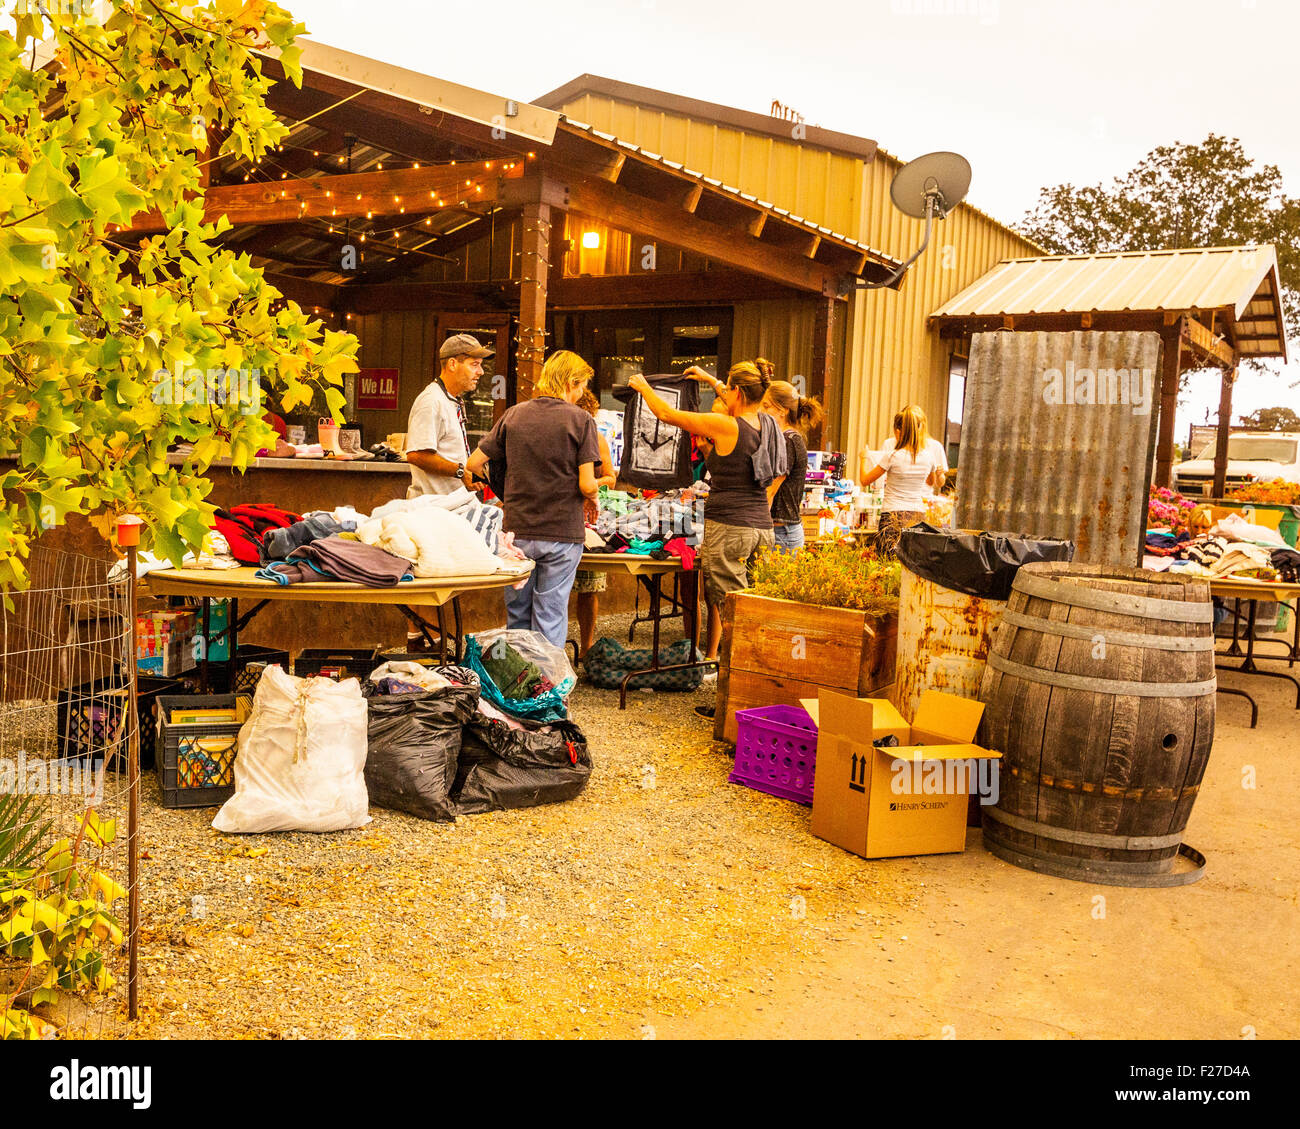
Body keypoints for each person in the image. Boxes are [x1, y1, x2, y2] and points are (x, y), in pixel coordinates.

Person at [628, 360, 777, 679]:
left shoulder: (727, 426)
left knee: (733, 614)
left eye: (727, 390)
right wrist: (710, 378)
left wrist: (643, 388)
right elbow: (735, 394)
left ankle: (736, 690)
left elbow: (669, 415)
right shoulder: (767, 422)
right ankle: (757, 680)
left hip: (731, 528)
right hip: (762, 528)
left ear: (737, 392)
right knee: (754, 611)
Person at [467, 351, 600, 648]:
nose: (581, 395)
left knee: (517, 614)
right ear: (571, 382)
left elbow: (474, 463)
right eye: (581, 387)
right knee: (550, 614)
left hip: (518, 533)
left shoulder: (514, 414)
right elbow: (587, 482)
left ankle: (518, 686)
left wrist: (504, 491)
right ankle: (548, 689)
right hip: (562, 533)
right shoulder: (582, 420)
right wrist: (592, 497)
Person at [405, 333, 493, 498]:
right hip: (433, 510)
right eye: (474, 364)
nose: (480, 372)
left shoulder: (451, 399)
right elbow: (416, 455)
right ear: (452, 364)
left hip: (450, 506)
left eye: (480, 365)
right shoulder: (431, 400)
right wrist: (461, 471)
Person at [860, 404, 945, 555]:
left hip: (892, 515)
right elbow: (931, 482)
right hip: (917, 515)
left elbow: (865, 480)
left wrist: (863, 459)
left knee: (887, 560)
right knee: (913, 561)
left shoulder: (892, 456)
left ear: (897, 430)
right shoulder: (928, 456)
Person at [574, 388, 619, 659]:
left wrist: (591, 483)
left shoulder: (598, 440)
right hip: (560, 516)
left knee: (589, 586)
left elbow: (611, 477)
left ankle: (587, 646)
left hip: (587, 520)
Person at [761, 380, 824, 554]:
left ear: (782, 410)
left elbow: (770, 489)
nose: (762, 412)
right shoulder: (779, 438)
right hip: (779, 529)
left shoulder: (788, 441)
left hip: (782, 532)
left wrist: (758, 527)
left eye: (767, 406)